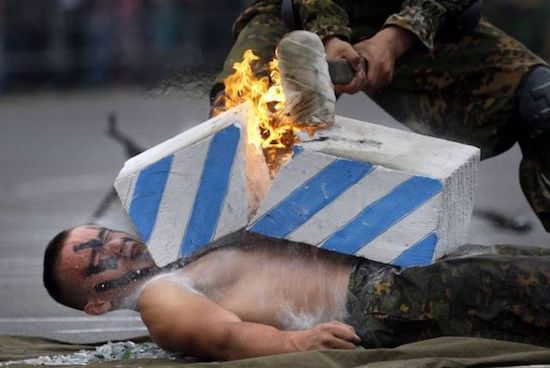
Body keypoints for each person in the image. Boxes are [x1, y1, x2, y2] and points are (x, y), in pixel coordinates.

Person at [210, 0, 550, 232]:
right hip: (300, 14)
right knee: (242, 126)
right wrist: (329, 33)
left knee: (543, 103)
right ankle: (229, 271)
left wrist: (396, 37)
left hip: (416, 22)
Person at [44, 224, 550, 360]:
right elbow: (223, 337)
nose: (119, 246)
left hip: (399, 266)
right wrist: (294, 345)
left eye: (107, 235)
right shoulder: (158, 297)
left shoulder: (181, 248)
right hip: (382, 297)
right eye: (99, 260)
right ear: (98, 302)